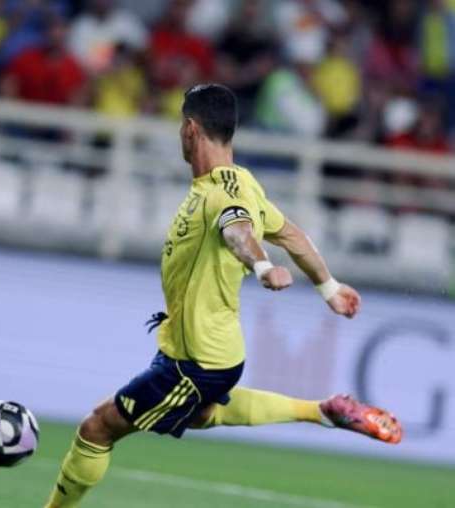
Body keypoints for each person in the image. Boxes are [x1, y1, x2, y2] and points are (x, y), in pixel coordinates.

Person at [43, 84, 403, 508]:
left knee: (97, 428)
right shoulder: (243, 182)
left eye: (181, 127)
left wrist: (262, 266)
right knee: (198, 413)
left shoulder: (223, 194)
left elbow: (238, 233)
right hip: (210, 351)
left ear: (190, 129)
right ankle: (322, 411)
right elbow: (291, 235)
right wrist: (329, 287)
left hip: (195, 361)